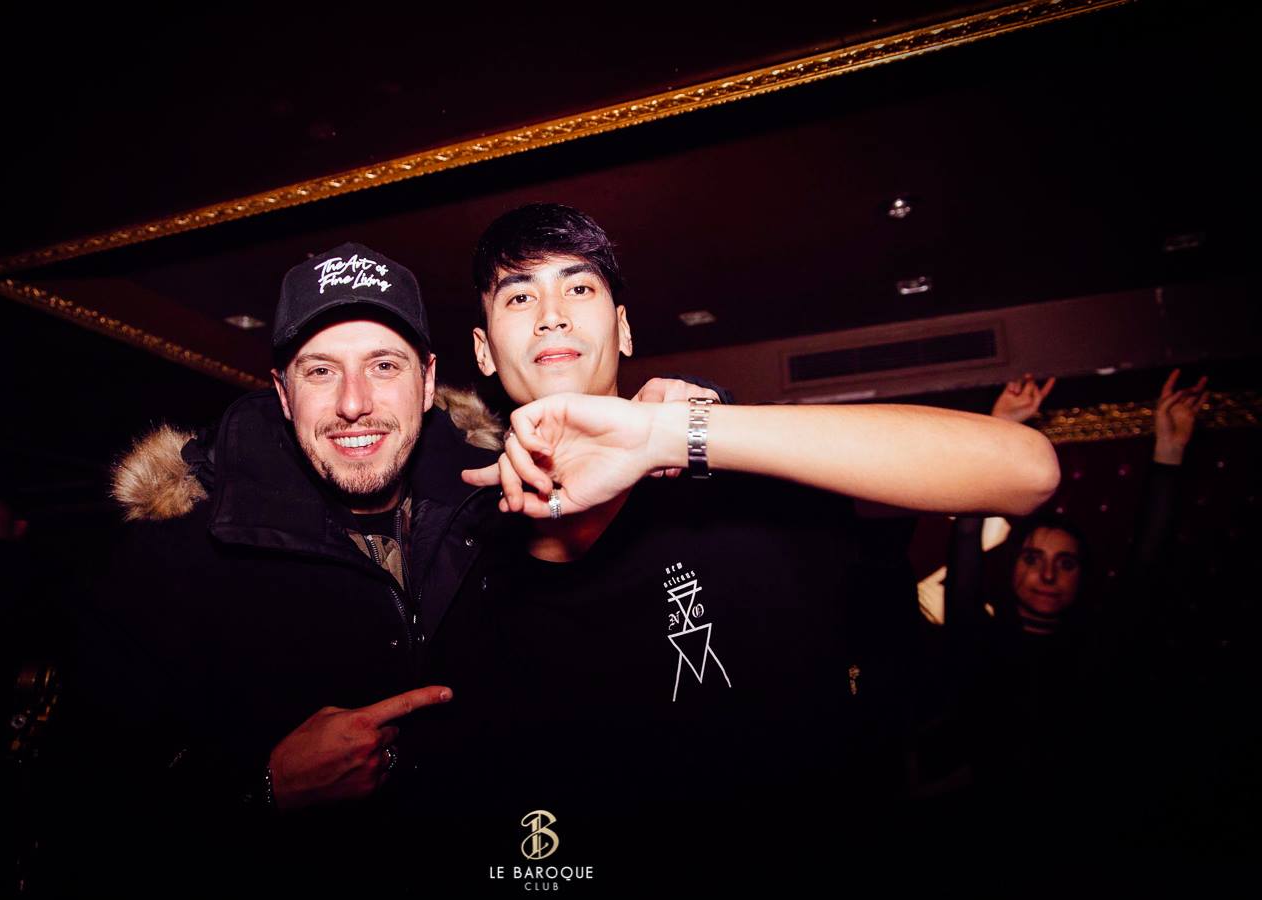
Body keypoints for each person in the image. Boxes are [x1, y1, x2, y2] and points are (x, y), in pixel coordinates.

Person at [416, 203, 1059, 883]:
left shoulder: (738, 483)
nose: (552, 314)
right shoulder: (457, 556)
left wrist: (674, 436)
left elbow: (1026, 471)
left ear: (624, 329)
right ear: (483, 349)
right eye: (520, 296)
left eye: (578, 287)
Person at [67, 241, 713, 892]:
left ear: (427, 381)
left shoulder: (499, 509)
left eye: (383, 365)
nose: (354, 403)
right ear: (284, 393)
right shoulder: (174, 557)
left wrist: (688, 423)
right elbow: (80, 806)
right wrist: (263, 787)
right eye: (321, 371)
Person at [931, 369, 1207, 854]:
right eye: (1033, 558)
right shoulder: (977, 636)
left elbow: (1149, 561)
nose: (1047, 575)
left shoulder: (1102, 645)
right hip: (985, 834)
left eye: (1065, 563)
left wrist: (1169, 450)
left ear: (1083, 576)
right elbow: (967, 535)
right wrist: (999, 429)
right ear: (1013, 567)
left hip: (1088, 835)